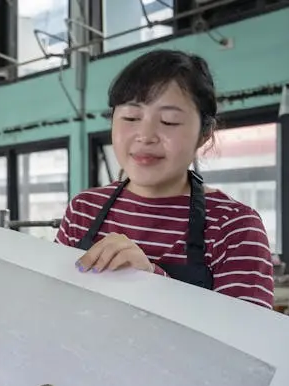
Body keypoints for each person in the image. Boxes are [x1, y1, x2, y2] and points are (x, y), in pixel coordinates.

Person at [55, 49, 275, 309]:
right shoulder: (83, 210)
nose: (146, 135)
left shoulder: (233, 227)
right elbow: (54, 307)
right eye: (131, 118)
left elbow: (245, 343)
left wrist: (152, 282)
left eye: (169, 121)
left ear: (204, 134)